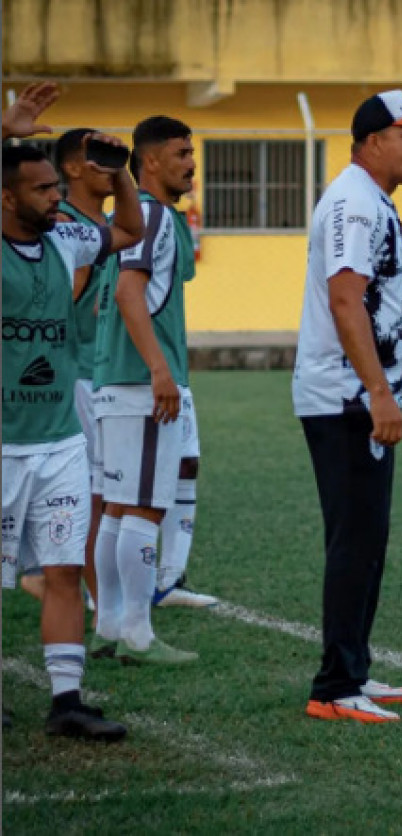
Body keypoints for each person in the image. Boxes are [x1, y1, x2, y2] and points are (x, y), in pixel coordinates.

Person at [293, 90, 402, 723]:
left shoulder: (367, 199)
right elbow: (345, 301)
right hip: (347, 401)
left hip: (357, 399)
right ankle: (334, 688)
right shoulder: (356, 202)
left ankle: (353, 669)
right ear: (372, 142)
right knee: (355, 540)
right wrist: (378, 392)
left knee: (368, 539)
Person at [2, 82, 143, 740]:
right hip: (2, 445)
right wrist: (9, 130)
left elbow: (129, 229)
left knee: (62, 571)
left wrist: (120, 177)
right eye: (42, 190)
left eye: (58, 187)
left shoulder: (65, 241)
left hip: (58, 440)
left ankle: (66, 702)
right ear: (6, 198)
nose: (57, 197)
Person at [90, 115, 209, 666]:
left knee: (118, 506)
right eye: (182, 153)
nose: (191, 163)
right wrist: (161, 370)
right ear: (151, 160)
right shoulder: (154, 217)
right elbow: (128, 292)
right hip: (142, 383)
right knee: (144, 509)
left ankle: (110, 624)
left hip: (118, 378)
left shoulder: (142, 217)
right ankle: (136, 632)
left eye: (192, 153)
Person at [52, 127, 120, 622]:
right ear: (71, 168)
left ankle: (94, 593)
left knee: (108, 491)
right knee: (95, 493)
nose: (109, 165)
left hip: (103, 374)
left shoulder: (112, 224)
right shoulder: (64, 224)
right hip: (75, 374)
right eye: (96, 157)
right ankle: (100, 601)